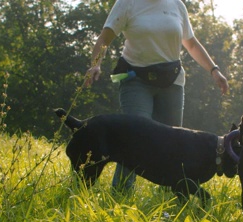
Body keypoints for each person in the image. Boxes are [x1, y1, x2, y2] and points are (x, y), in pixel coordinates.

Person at [85, 0, 229, 192]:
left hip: (172, 81)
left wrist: (214, 70)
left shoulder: (177, 5)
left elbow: (192, 44)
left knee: (172, 144)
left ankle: (167, 201)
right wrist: (96, 64)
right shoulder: (127, 4)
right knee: (135, 136)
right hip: (135, 79)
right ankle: (121, 194)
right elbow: (104, 39)